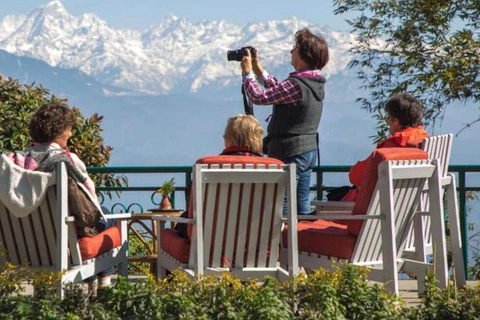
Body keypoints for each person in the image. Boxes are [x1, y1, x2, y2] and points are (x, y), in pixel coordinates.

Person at [241, 28, 329, 215]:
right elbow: (279, 90)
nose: (291, 51)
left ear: (304, 54)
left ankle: (282, 243)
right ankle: (304, 241)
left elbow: (258, 97)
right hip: (308, 150)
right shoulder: (314, 83)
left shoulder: (296, 84)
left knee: (282, 205)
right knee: (302, 206)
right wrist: (258, 68)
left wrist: (247, 74)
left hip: (290, 151)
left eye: (295, 48)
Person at [27, 102, 113, 294]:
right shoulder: (66, 160)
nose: (71, 134)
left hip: (24, 243)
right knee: (107, 216)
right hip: (62, 240)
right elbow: (90, 202)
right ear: (58, 131)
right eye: (69, 129)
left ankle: (94, 280)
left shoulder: (17, 163)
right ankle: (103, 282)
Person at [345, 93, 428, 200]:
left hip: (384, 208)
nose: (388, 122)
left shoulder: (392, 147)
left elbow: (356, 176)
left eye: (388, 118)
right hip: (412, 202)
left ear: (396, 121)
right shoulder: (422, 139)